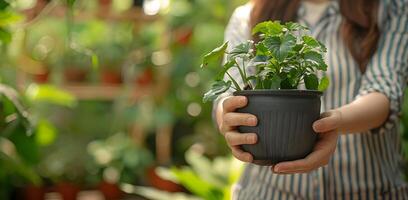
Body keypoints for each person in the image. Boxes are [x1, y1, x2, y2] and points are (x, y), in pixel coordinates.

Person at [214, 0, 408, 198]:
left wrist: (334, 122)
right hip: (270, 192)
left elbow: (385, 90)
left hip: (371, 191)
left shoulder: (391, 7)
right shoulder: (248, 16)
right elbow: (229, 93)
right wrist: (228, 118)